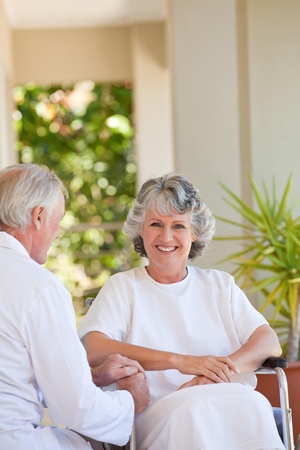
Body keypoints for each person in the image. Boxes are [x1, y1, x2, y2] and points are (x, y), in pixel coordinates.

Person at [78, 172, 285, 450]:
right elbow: (95, 348)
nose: (166, 237)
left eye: (178, 225)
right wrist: (181, 361)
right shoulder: (124, 287)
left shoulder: (220, 285)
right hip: (159, 412)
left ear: (194, 232)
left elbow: (269, 342)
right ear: (141, 229)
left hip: (227, 397)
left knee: (255, 402)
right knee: (195, 411)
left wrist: (208, 376)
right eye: (155, 224)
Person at [0, 163, 150, 450]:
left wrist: (90, 376)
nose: (58, 233)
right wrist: (130, 401)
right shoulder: (38, 286)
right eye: (59, 219)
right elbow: (76, 408)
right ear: (39, 216)